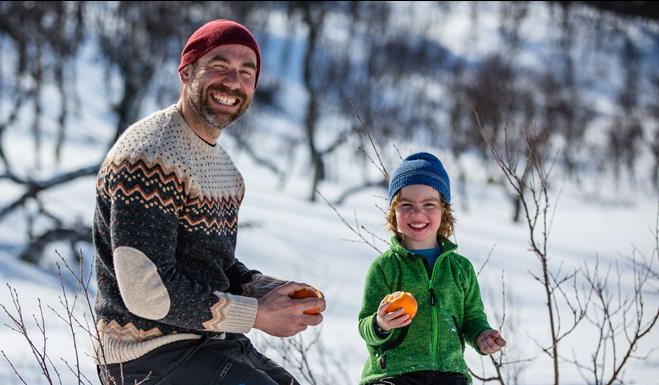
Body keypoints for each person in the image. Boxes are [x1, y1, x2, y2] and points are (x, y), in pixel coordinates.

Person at [92, 19, 325, 385]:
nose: (233, 82)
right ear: (186, 72)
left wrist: (262, 287)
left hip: (206, 341)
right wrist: (257, 314)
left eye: (246, 73)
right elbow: (146, 293)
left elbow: (209, 262)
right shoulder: (149, 157)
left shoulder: (226, 171)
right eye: (220, 66)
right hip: (146, 355)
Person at [357, 152, 506, 385]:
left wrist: (482, 336)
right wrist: (380, 323)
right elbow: (364, 326)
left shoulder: (460, 269)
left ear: (444, 210)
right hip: (395, 374)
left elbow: (473, 319)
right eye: (406, 205)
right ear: (393, 212)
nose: (417, 213)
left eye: (429, 204)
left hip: (450, 374)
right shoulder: (385, 268)